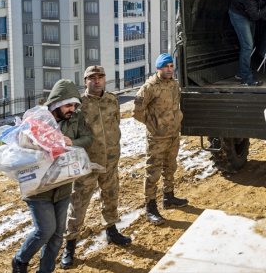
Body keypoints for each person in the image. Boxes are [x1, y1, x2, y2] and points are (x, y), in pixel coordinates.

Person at [12, 79, 93, 273]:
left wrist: (70, 141)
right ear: (56, 104)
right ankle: (20, 261)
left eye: (74, 105)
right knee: (45, 231)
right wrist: (44, 145)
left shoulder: (75, 119)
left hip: (63, 186)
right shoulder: (36, 121)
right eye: (67, 105)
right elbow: (21, 151)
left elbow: (88, 139)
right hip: (39, 188)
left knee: (57, 235)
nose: (71, 109)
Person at [60, 66, 131, 269]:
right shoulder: (79, 105)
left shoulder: (112, 100)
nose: (97, 81)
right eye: (92, 78)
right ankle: (70, 245)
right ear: (85, 81)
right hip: (88, 164)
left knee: (111, 195)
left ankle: (111, 230)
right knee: (79, 203)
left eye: (100, 77)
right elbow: (72, 132)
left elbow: (116, 124)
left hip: (110, 160)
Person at [133, 53, 188, 225]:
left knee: (170, 166)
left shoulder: (174, 84)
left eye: (171, 66)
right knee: (153, 172)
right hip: (157, 138)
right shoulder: (149, 87)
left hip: (173, 134)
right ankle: (150, 207)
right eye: (166, 66)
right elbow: (137, 112)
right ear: (158, 68)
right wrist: (154, 125)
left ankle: (169, 196)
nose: (169, 69)